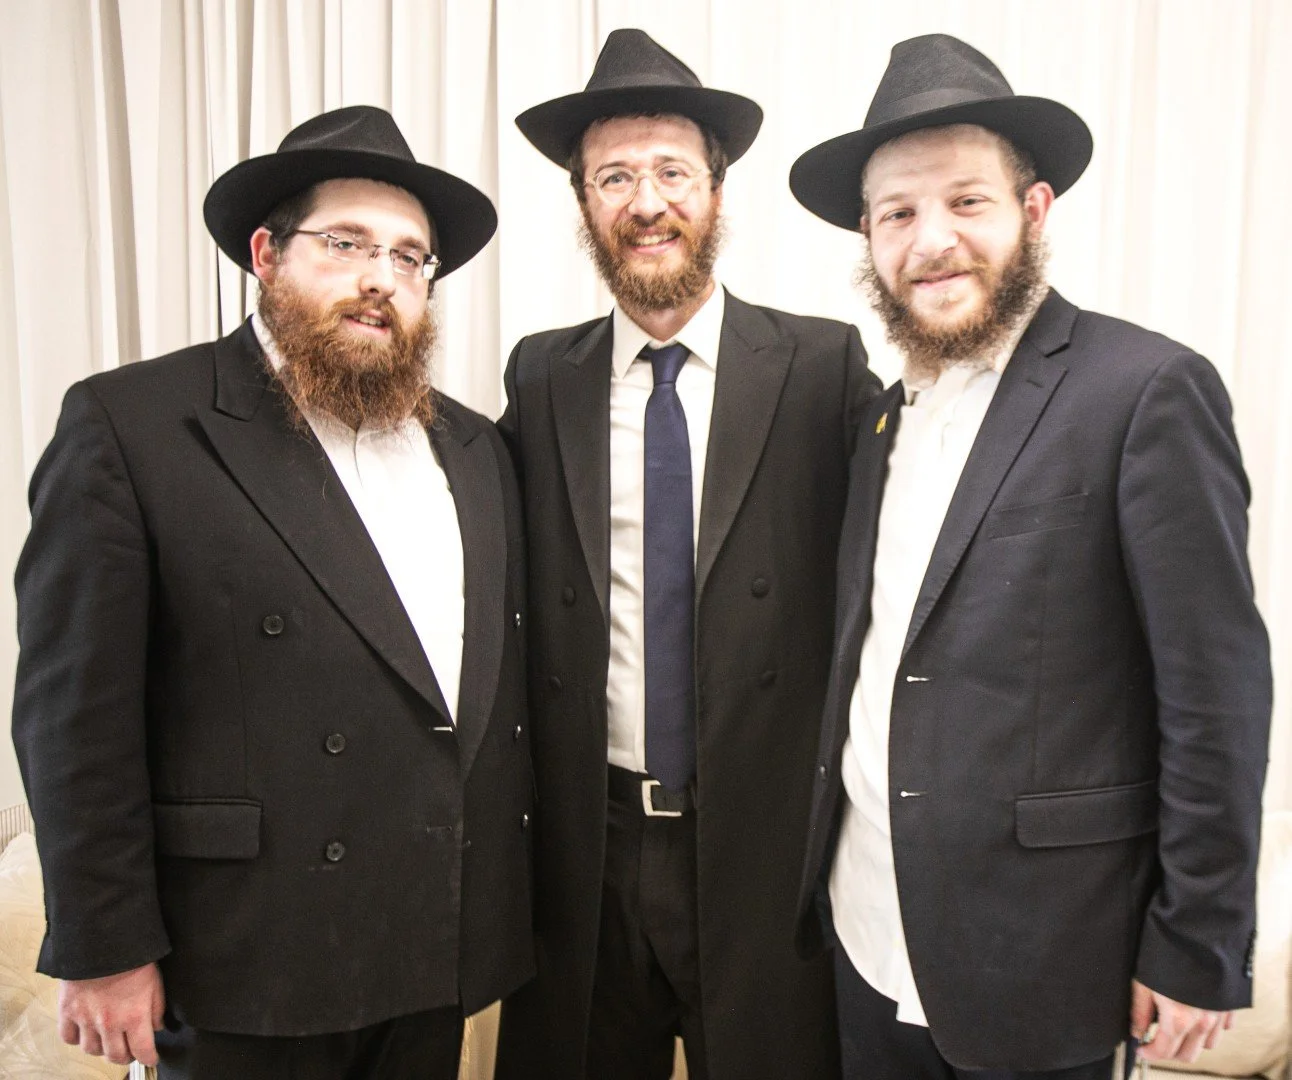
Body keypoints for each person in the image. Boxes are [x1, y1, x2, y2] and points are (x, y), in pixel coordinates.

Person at [11, 105, 534, 1080]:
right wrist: (104, 944)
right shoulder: (133, 424)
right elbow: (73, 717)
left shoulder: (475, 446)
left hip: (431, 939)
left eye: (409, 257)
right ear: (266, 254)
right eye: (346, 243)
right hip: (241, 953)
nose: (380, 277)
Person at [789, 33, 1272, 1080]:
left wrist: (1195, 940)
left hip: (1042, 954)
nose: (932, 240)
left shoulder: (1145, 390)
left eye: (966, 201)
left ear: (1033, 210)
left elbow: (1214, 693)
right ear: (868, 237)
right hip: (862, 931)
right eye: (897, 214)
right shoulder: (880, 421)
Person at [493, 28, 881, 1080]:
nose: (645, 201)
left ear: (715, 192)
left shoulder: (820, 365)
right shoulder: (541, 377)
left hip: (760, 848)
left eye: (671, 171)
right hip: (588, 852)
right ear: (584, 204)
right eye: (614, 177)